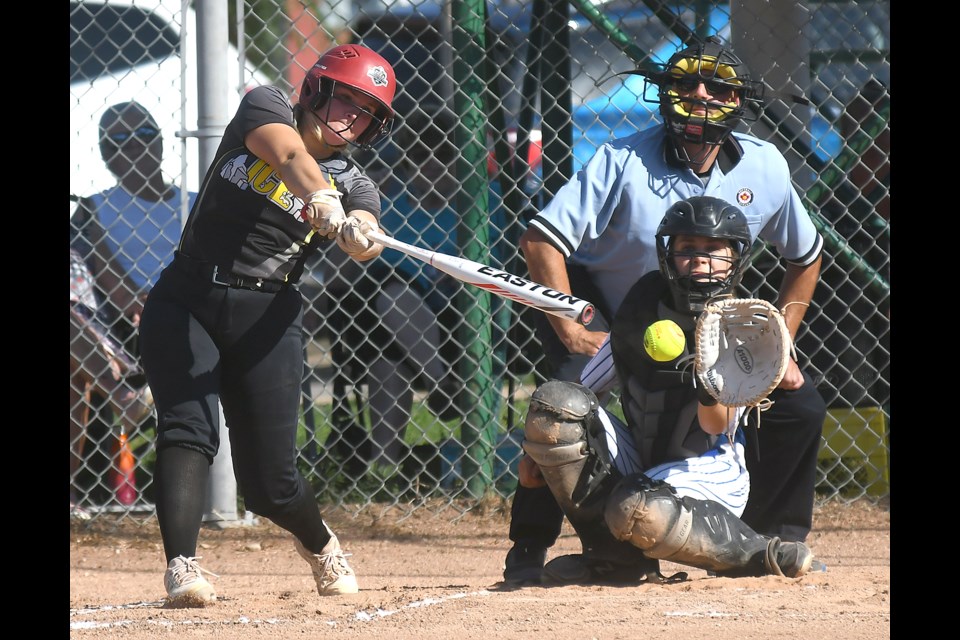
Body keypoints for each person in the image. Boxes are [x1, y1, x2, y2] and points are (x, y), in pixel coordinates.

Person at [504, 35, 827, 584]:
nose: (699, 94)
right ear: (664, 93)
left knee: (801, 406)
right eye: (685, 83)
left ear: (737, 100)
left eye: (716, 86)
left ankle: (775, 536)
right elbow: (540, 241)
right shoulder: (622, 159)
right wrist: (572, 326)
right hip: (621, 316)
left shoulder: (766, 165)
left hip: (720, 328)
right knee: (555, 416)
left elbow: (806, 256)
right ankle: (536, 548)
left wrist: (781, 339)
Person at [137, 44, 397, 606]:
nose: (352, 115)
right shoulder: (266, 106)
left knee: (270, 486)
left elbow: (367, 230)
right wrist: (319, 196)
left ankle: (322, 544)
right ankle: (183, 567)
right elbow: (284, 154)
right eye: (345, 98)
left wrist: (358, 233)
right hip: (188, 297)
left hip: (268, 318)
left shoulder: (355, 182)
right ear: (317, 90)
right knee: (187, 429)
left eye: (367, 111)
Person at [519, 195, 823, 584]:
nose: (699, 259)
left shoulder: (746, 328)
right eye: (687, 249)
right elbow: (586, 388)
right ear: (668, 255)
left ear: (736, 258)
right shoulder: (644, 303)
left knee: (639, 507)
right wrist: (543, 445)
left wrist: (707, 382)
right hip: (640, 459)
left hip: (707, 470)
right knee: (554, 405)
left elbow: (716, 425)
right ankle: (612, 558)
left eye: (714, 250)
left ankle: (756, 553)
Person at [74, 101, 198, 353]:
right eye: (120, 139)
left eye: (144, 134)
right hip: (134, 324)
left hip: (201, 306)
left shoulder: (197, 202)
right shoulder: (93, 209)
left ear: (161, 142)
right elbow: (106, 279)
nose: (135, 144)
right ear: (106, 154)